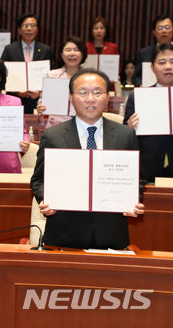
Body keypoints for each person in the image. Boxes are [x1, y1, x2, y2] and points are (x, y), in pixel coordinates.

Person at [32, 69, 144, 249]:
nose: (90, 98)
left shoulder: (126, 134)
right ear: (70, 97)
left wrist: (133, 200)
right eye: (82, 92)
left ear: (108, 98)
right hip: (64, 234)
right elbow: (38, 180)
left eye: (98, 92)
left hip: (111, 233)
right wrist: (45, 199)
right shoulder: (54, 135)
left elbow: (137, 178)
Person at [124, 44, 173, 183]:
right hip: (147, 169)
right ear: (152, 68)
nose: (168, 66)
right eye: (162, 62)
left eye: (172, 62)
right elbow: (124, 136)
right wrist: (129, 128)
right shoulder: (139, 97)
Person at [1, 13, 53, 114]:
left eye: (33, 25)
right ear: (19, 30)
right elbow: (2, 72)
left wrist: (40, 93)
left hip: (38, 100)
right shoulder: (10, 49)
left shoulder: (45, 50)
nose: (29, 29)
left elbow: (52, 75)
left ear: (37, 29)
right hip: (14, 98)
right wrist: (16, 90)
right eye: (25, 26)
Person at [36, 36, 87, 127]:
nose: (72, 53)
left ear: (83, 54)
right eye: (68, 50)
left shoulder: (89, 77)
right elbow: (42, 101)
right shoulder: (52, 75)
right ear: (61, 54)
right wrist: (41, 107)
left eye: (76, 50)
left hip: (83, 125)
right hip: (56, 126)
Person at [133, 15, 173, 86]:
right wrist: (141, 85)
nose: (164, 31)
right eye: (160, 28)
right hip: (151, 93)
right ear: (154, 32)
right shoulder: (144, 53)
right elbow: (136, 77)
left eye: (167, 27)